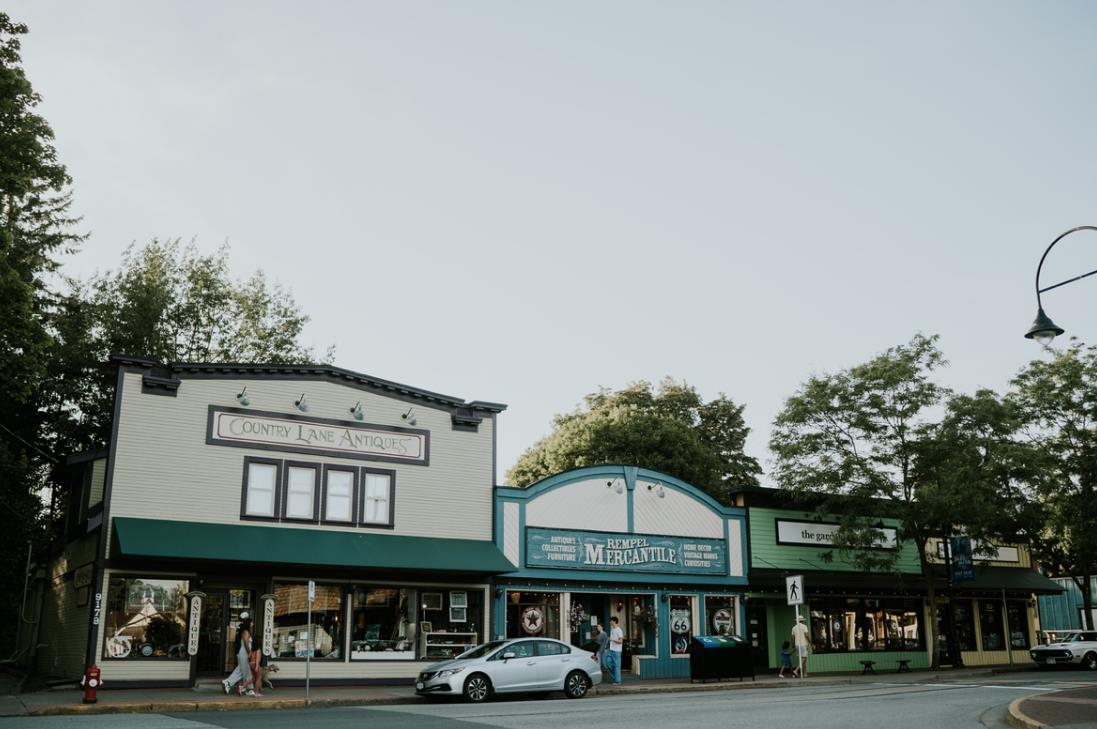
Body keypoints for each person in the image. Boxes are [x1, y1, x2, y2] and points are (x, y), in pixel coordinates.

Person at [221, 613, 255, 696]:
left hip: (243, 653)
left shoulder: (244, 631)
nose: (252, 624)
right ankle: (247, 689)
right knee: (246, 671)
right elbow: (246, 643)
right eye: (251, 622)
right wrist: (250, 653)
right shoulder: (246, 632)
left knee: (241, 670)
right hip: (244, 653)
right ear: (248, 623)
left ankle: (229, 683)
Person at [605, 616, 624, 686]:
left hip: (617, 651)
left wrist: (612, 639)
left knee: (617, 666)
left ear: (614, 621)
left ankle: (618, 681)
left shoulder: (619, 630)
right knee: (607, 663)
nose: (610, 622)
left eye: (611, 621)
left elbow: (621, 641)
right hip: (611, 650)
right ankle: (616, 677)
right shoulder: (612, 630)